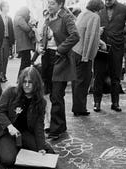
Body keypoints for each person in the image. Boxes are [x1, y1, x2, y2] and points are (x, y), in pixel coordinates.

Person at [0, 67, 54, 166]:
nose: (26, 85)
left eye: (30, 82)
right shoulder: (11, 92)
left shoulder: (41, 102)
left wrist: (41, 147)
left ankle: (19, 146)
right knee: (8, 160)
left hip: (24, 132)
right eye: (24, 81)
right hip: (6, 132)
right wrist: (9, 126)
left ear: (36, 84)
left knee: (48, 152)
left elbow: (39, 125)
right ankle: (3, 146)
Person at [41, 0, 79, 140]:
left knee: (57, 95)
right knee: (52, 94)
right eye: (48, 3)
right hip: (47, 58)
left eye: (52, 3)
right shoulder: (47, 17)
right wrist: (41, 46)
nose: (49, 6)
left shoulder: (66, 17)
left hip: (60, 59)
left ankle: (55, 129)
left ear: (60, 4)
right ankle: (60, 126)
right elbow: (46, 37)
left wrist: (60, 50)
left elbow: (75, 35)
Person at [93, 0, 126, 113]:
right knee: (98, 75)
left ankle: (115, 103)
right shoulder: (99, 9)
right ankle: (97, 102)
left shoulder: (124, 8)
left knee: (115, 76)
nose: (107, 2)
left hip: (117, 47)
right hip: (101, 46)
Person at [71, 0, 102, 117]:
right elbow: (90, 35)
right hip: (84, 53)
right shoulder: (95, 16)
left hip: (75, 50)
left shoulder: (82, 14)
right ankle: (80, 108)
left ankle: (77, 107)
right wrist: (86, 55)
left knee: (76, 81)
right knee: (84, 82)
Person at [13, 6, 36, 77]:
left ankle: (21, 78)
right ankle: (21, 79)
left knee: (25, 62)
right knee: (25, 63)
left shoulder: (17, 17)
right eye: (27, 13)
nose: (28, 15)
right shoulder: (20, 18)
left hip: (23, 44)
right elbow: (27, 28)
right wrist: (32, 24)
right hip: (24, 44)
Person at [0, 1, 14, 83]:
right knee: (0, 59)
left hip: (7, 40)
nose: (7, 8)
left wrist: (12, 43)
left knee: (5, 58)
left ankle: (4, 74)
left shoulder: (9, 19)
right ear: (2, 8)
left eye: (8, 6)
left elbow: (11, 31)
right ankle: (0, 75)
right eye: (5, 6)